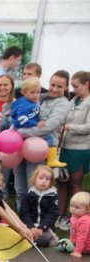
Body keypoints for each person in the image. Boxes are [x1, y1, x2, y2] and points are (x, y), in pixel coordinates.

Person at [13, 71, 71, 207]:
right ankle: (21, 217)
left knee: (33, 188)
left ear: (66, 88)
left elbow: (48, 126)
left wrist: (18, 133)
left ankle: (33, 218)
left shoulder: (63, 104)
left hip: (38, 150)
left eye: (59, 86)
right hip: (21, 147)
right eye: (52, 85)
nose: (54, 89)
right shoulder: (39, 96)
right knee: (20, 189)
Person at [57, 71, 90, 229]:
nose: (73, 89)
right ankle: (60, 215)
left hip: (80, 149)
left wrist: (70, 127)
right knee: (62, 182)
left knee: (75, 183)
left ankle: (76, 218)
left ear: (87, 84)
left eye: (76, 86)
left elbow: (88, 127)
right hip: (65, 147)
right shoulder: (73, 100)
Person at [11, 77, 66, 168]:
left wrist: (42, 119)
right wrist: (36, 124)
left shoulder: (31, 101)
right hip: (26, 128)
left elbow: (39, 110)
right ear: (24, 92)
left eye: (38, 92)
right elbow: (22, 120)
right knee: (51, 137)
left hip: (27, 135)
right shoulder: (25, 105)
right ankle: (52, 159)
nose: (36, 95)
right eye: (32, 92)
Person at [20, 165, 61, 247]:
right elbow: (24, 212)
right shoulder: (29, 195)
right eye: (41, 178)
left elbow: (53, 213)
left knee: (44, 239)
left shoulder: (53, 195)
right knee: (21, 236)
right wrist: (31, 226)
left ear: (51, 182)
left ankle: (51, 239)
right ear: (34, 179)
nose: (44, 181)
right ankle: (32, 240)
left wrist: (42, 227)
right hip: (30, 226)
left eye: (47, 179)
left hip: (44, 228)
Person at [57, 191, 90, 257]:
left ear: (87, 209)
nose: (72, 209)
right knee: (61, 242)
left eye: (77, 207)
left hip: (86, 247)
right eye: (71, 206)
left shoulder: (84, 221)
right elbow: (73, 231)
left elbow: (82, 237)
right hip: (76, 243)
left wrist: (77, 251)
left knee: (62, 244)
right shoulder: (75, 216)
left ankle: (78, 249)